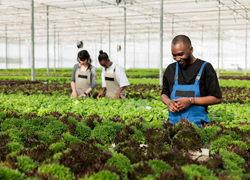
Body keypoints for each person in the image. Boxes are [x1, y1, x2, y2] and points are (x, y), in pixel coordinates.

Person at [161, 35, 222, 127]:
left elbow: (217, 98)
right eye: (174, 55)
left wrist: (191, 100)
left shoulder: (205, 68)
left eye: (181, 54)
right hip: (173, 124)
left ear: (191, 50)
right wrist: (169, 102)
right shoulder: (171, 69)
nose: (177, 59)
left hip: (198, 126)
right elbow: (164, 94)